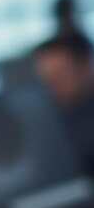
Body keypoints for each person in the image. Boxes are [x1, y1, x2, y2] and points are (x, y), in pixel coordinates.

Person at [33, 32, 94, 178]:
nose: (50, 88)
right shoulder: (49, 117)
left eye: (60, 75)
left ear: (86, 67)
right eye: (45, 80)